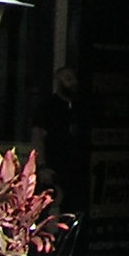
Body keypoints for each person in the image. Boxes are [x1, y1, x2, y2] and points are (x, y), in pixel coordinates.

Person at [29, 65, 86, 213]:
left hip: (78, 168)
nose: (73, 83)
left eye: (74, 79)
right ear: (58, 82)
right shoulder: (48, 107)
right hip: (55, 167)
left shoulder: (80, 107)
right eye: (68, 79)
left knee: (75, 209)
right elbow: (38, 136)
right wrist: (42, 166)